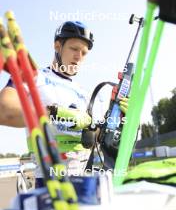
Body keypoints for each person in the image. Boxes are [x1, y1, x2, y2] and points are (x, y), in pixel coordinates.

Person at [0, 21, 128, 186]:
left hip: (86, 181)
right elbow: (4, 110)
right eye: (74, 49)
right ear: (57, 46)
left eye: (84, 52)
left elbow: (98, 139)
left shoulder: (85, 93)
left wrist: (119, 120)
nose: (79, 57)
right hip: (51, 185)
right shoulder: (34, 76)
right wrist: (56, 114)